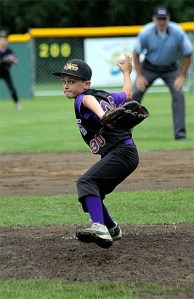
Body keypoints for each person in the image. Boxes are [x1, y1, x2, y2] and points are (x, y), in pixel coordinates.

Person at [53, 56, 139, 249]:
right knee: (94, 193)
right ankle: (112, 228)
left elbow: (88, 100)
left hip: (122, 152)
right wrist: (126, 72)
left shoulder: (82, 98)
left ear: (86, 84)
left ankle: (99, 227)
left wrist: (103, 116)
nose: (66, 86)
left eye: (72, 82)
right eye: (64, 81)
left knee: (86, 182)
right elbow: (127, 94)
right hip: (124, 153)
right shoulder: (106, 96)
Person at [132, 7, 193, 140]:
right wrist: (140, 76)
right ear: (154, 19)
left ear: (168, 19)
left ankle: (180, 134)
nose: (161, 22)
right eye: (159, 19)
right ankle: (123, 131)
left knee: (179, 94)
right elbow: (136, 53)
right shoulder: (146, 32)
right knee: (135, 93)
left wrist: (182, 76)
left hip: (171, 69)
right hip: (149, 67)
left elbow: (188, 53)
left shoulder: (177, 32)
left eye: (164, 19)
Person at [0, 31, 21, 110]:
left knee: (12, 88)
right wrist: (5, 58)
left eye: (5, 39)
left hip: (5, 72)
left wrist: (12, 59)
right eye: (1, 39)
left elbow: (17, 61)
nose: (3, 41)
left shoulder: (9, 51)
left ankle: (17, 104)